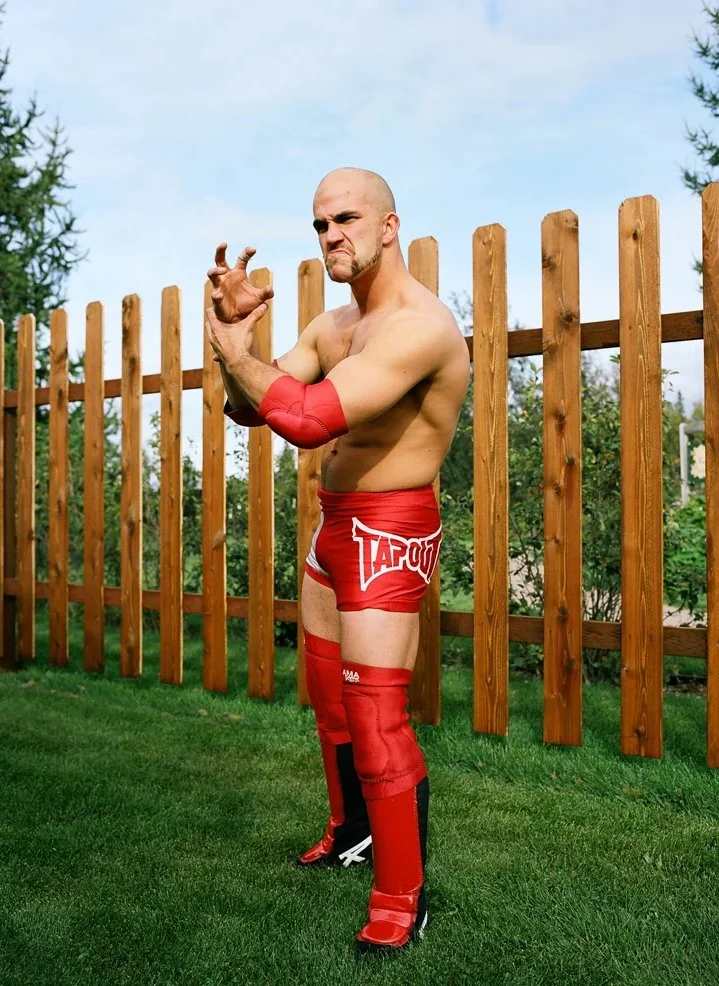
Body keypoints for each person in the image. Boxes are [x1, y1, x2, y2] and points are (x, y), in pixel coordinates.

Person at [204, 168, 470, 955]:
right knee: (330, 701)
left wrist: (233, 351)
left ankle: (401, 897)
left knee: (377, 718)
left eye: (346, 219)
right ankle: (351, 831)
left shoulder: (419, 327)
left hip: (390, 532)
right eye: (320, 224)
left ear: (389, 225)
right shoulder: (333, 325)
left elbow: (309, 418)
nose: (330, 236)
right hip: (335, 525)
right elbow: (248, 407)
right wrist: (236, 342)